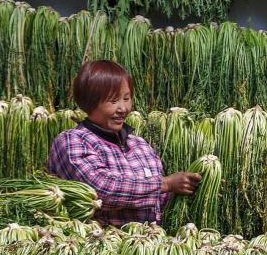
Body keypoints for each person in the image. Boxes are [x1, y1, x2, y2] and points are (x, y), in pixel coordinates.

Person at [47, 60, 201, 227]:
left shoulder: (140, 145)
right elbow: (100, 190)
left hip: (148, 240)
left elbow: (160, 201)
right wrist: (166, 184)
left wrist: (192, 186)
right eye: (113, 101)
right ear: (89, 102)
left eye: (126, 98)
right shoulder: (73, 141)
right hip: (99, 240)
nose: (123, 108)